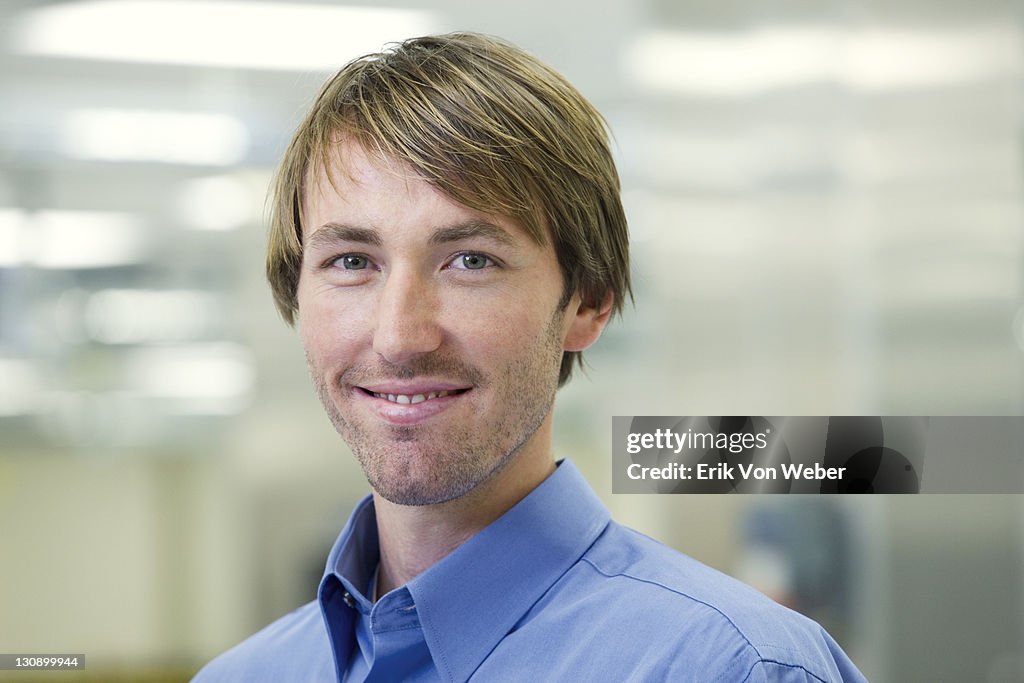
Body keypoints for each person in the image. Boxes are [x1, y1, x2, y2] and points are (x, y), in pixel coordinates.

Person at [192, 32, 867, 682]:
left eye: (470, 260)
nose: (399, 335)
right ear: (296, 292)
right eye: (351, 261)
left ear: (588, 302)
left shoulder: (739, 668)